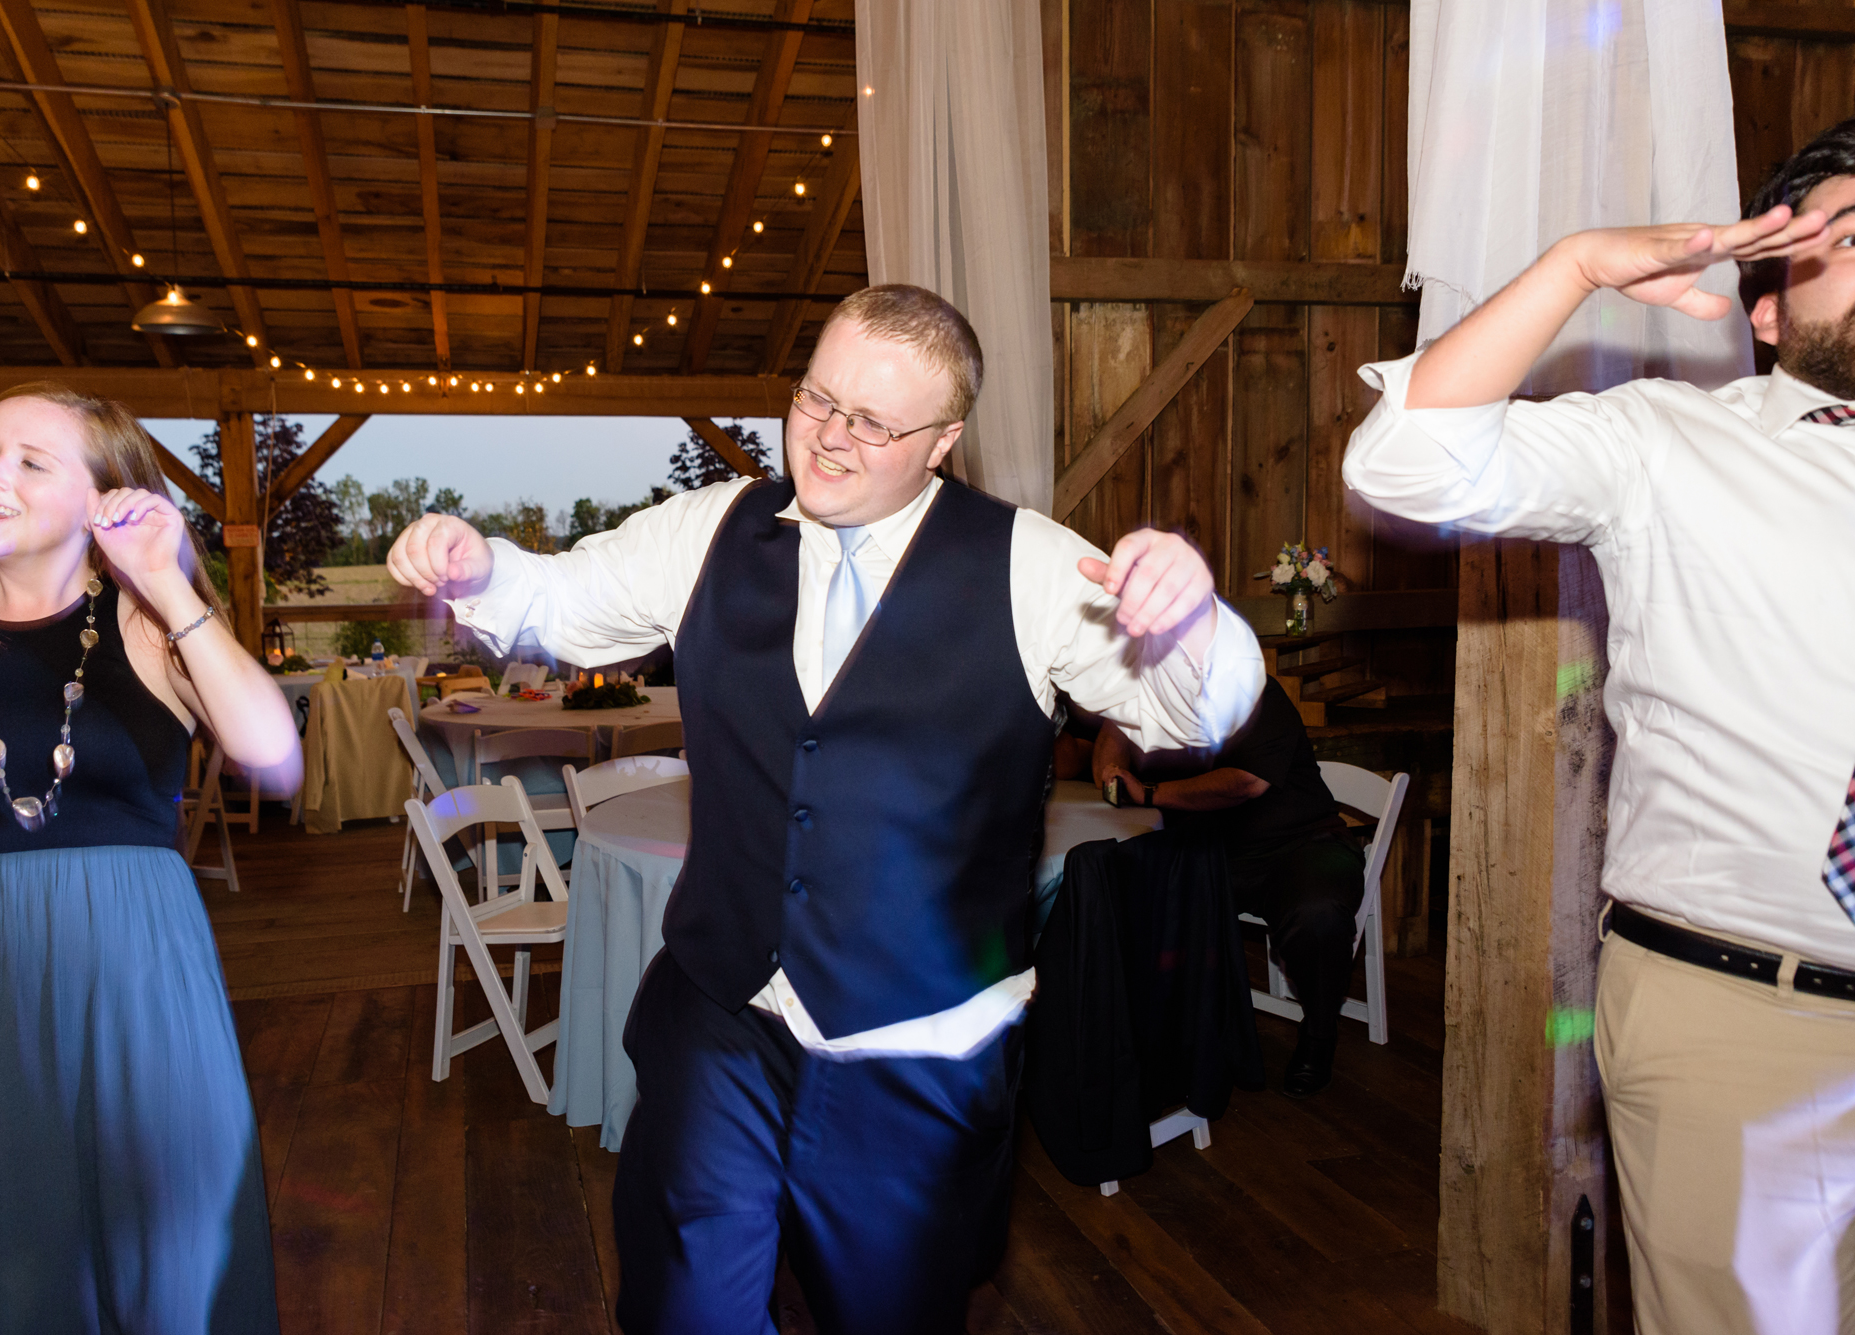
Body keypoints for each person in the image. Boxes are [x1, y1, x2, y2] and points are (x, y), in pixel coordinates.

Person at [386, 284, 1267, 1333]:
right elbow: (557, 603)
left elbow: (1189, 715)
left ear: (942, 442)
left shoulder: (1029, 563)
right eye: (815, 400)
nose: (830, 440)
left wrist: (1195, 617)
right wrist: (478, 565)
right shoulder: (710, 530)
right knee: (683, 1310)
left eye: (875, 423)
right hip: (720, 1015)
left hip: (921, 1044)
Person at [1343, 119, 1855, 1335]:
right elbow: (1405, 463)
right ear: (1766, 306)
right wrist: (1571, 265)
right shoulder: (1662, 444)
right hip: (1747, 1018)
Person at [0, 385, 301, 1332]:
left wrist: (168, 580)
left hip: (132, 991)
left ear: (106, 496)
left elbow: (273, 752)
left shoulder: (150, 630)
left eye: (30, 459)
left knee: (150, 1265)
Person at [1089, 681, 1365, 1098]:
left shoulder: (1250, 689)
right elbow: (1113, 743)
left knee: (1318, 915)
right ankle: (1166, 1039)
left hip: (1299, 844)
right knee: (1124, 893)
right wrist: (1113, 775)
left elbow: (1246, 782)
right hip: (1210, 853)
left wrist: (1147, 793)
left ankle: (1320, 1033)